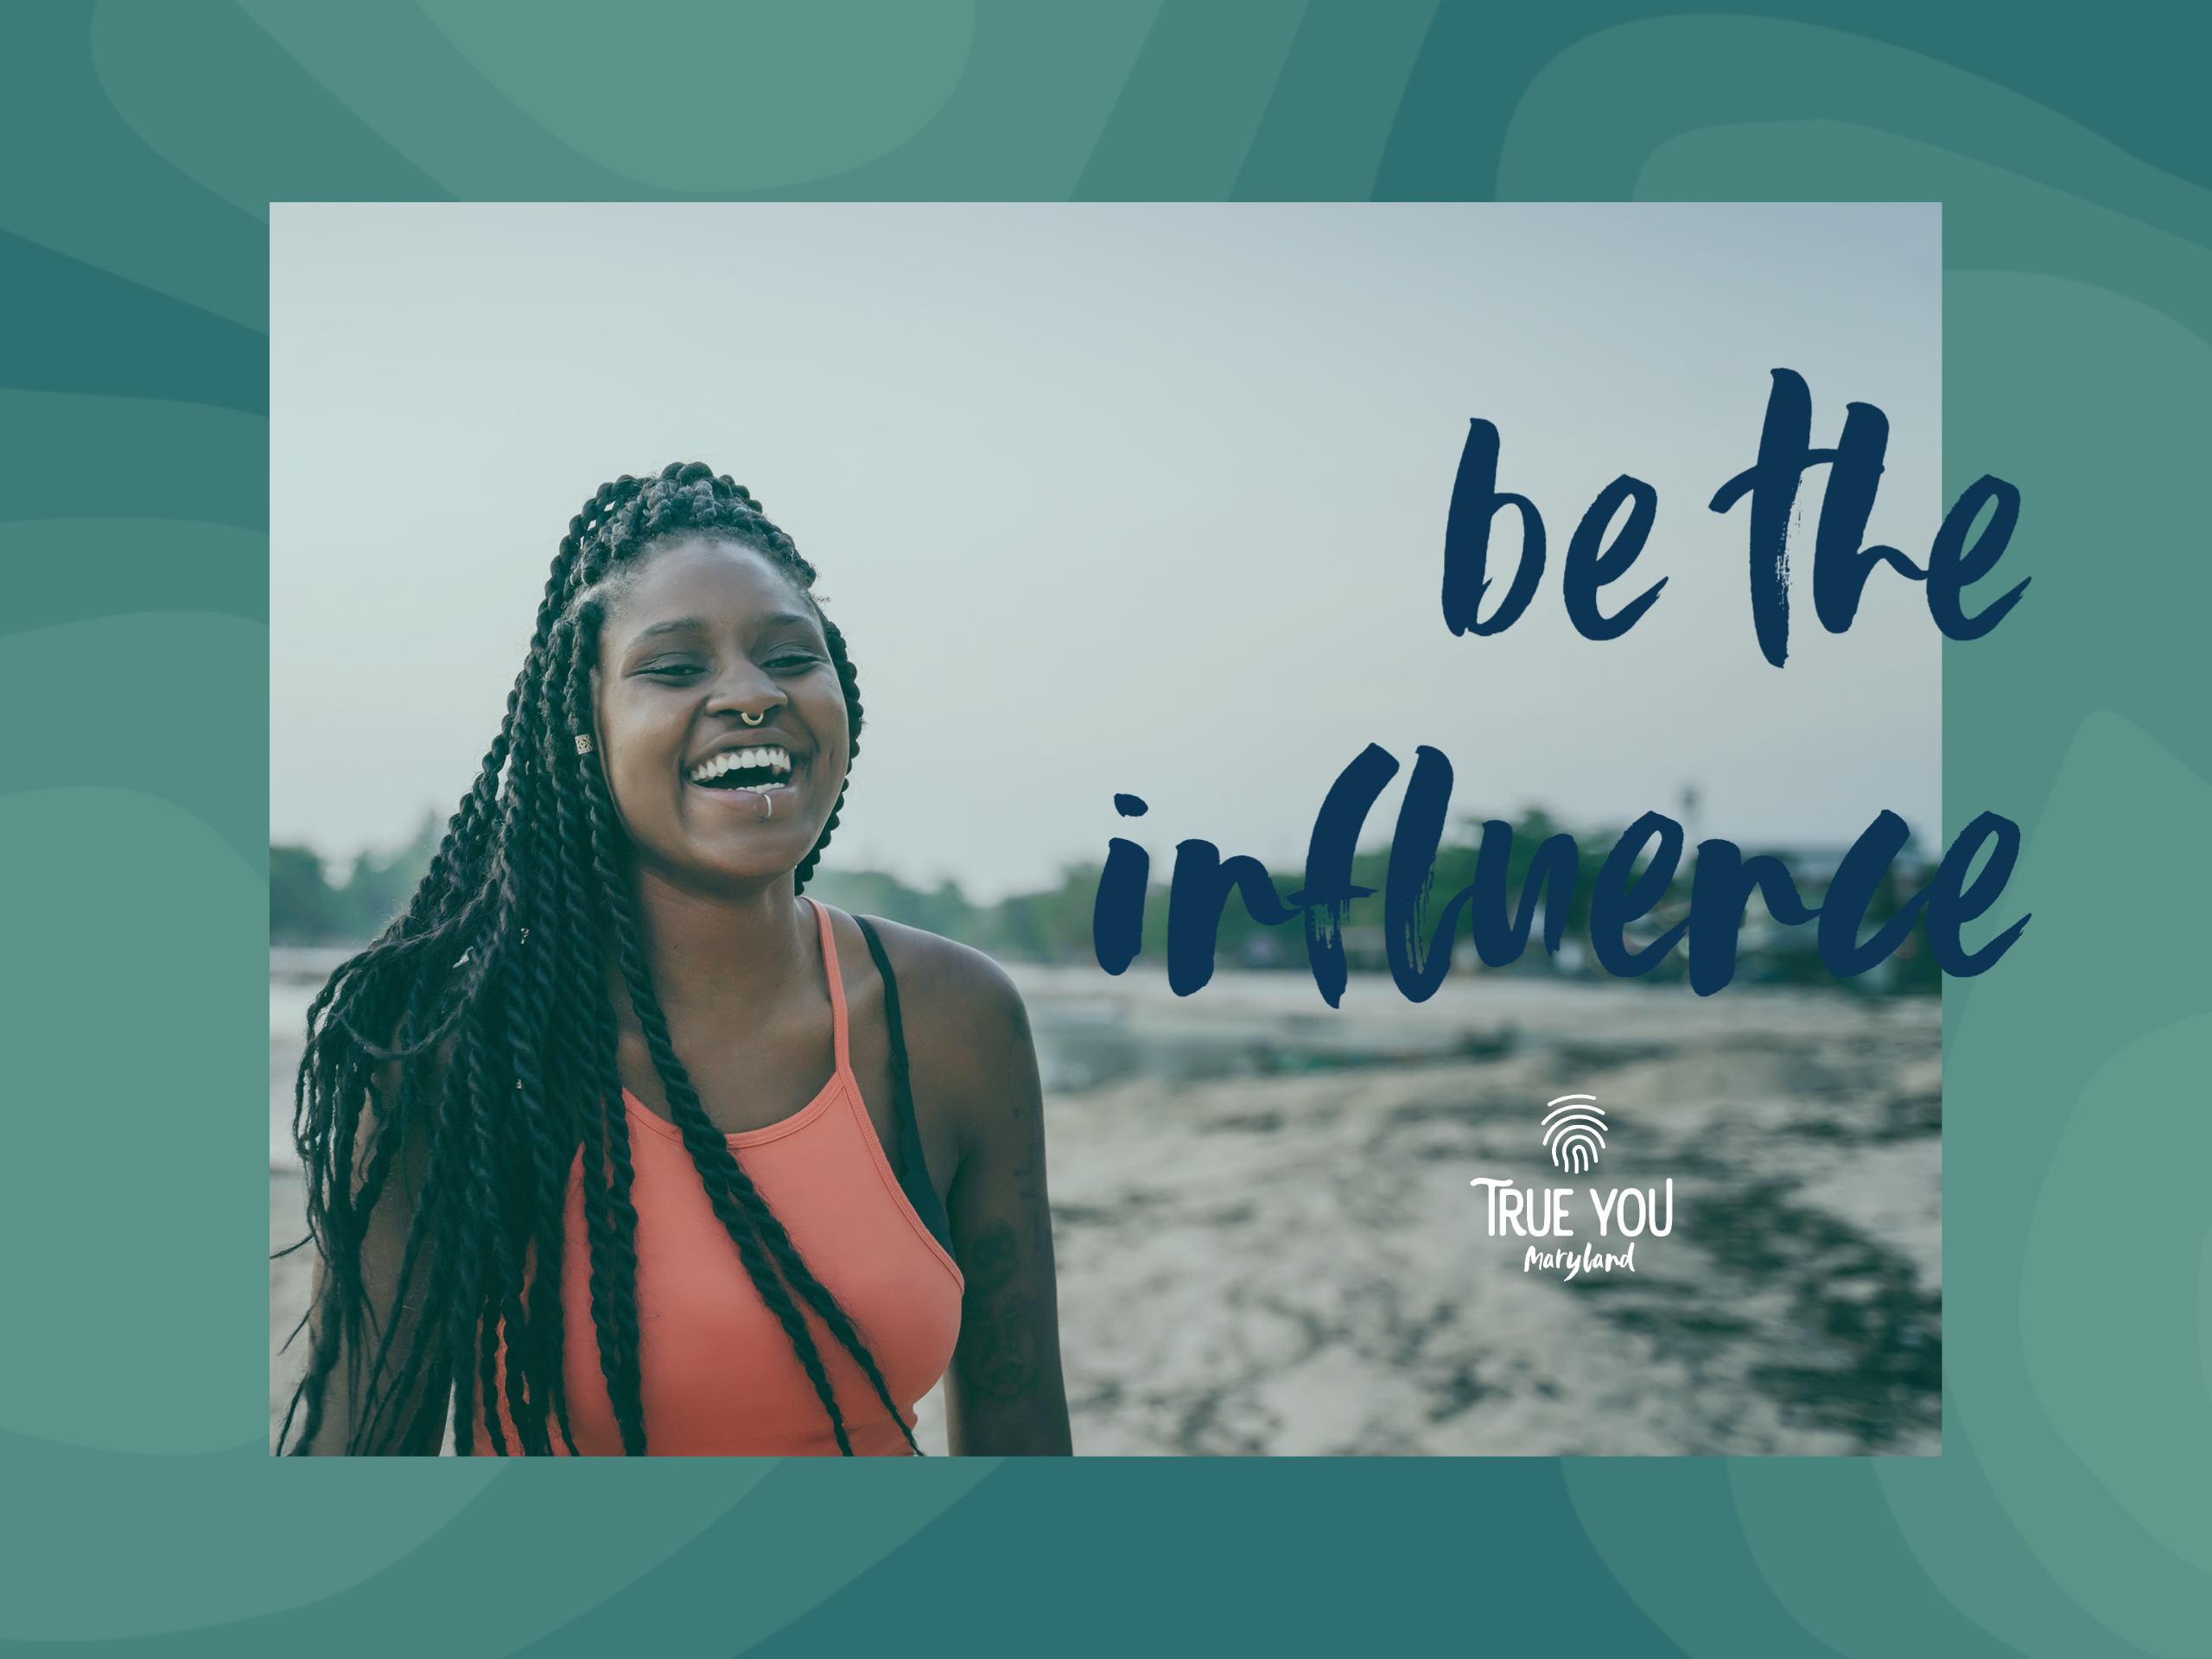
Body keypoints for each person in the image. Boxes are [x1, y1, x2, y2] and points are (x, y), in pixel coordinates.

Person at [282, 462, 1071, 1456]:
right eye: (673, 667)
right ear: (584, 728)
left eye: (791, 655)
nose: (749, 694)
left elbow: (1025, 1440)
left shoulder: (954, 1021)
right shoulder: (451, 1053)